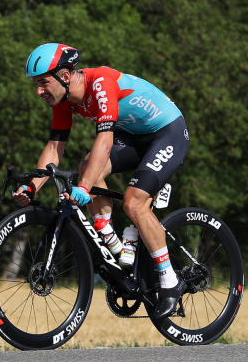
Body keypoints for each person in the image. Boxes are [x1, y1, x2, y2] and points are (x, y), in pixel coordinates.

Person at [14, 43, 190, 318]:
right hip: (134, 136)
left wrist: (84, 187)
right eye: (36, 85)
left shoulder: (100, 81)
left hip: (167, 132)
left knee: (133, 203)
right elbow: (54, 148)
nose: (39, 91)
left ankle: (170, 282)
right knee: (87, 166)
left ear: (64, 76)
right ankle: (114, 242)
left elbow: (105, 140)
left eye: (43, 83)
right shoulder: (62, 101)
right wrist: (31, 186)